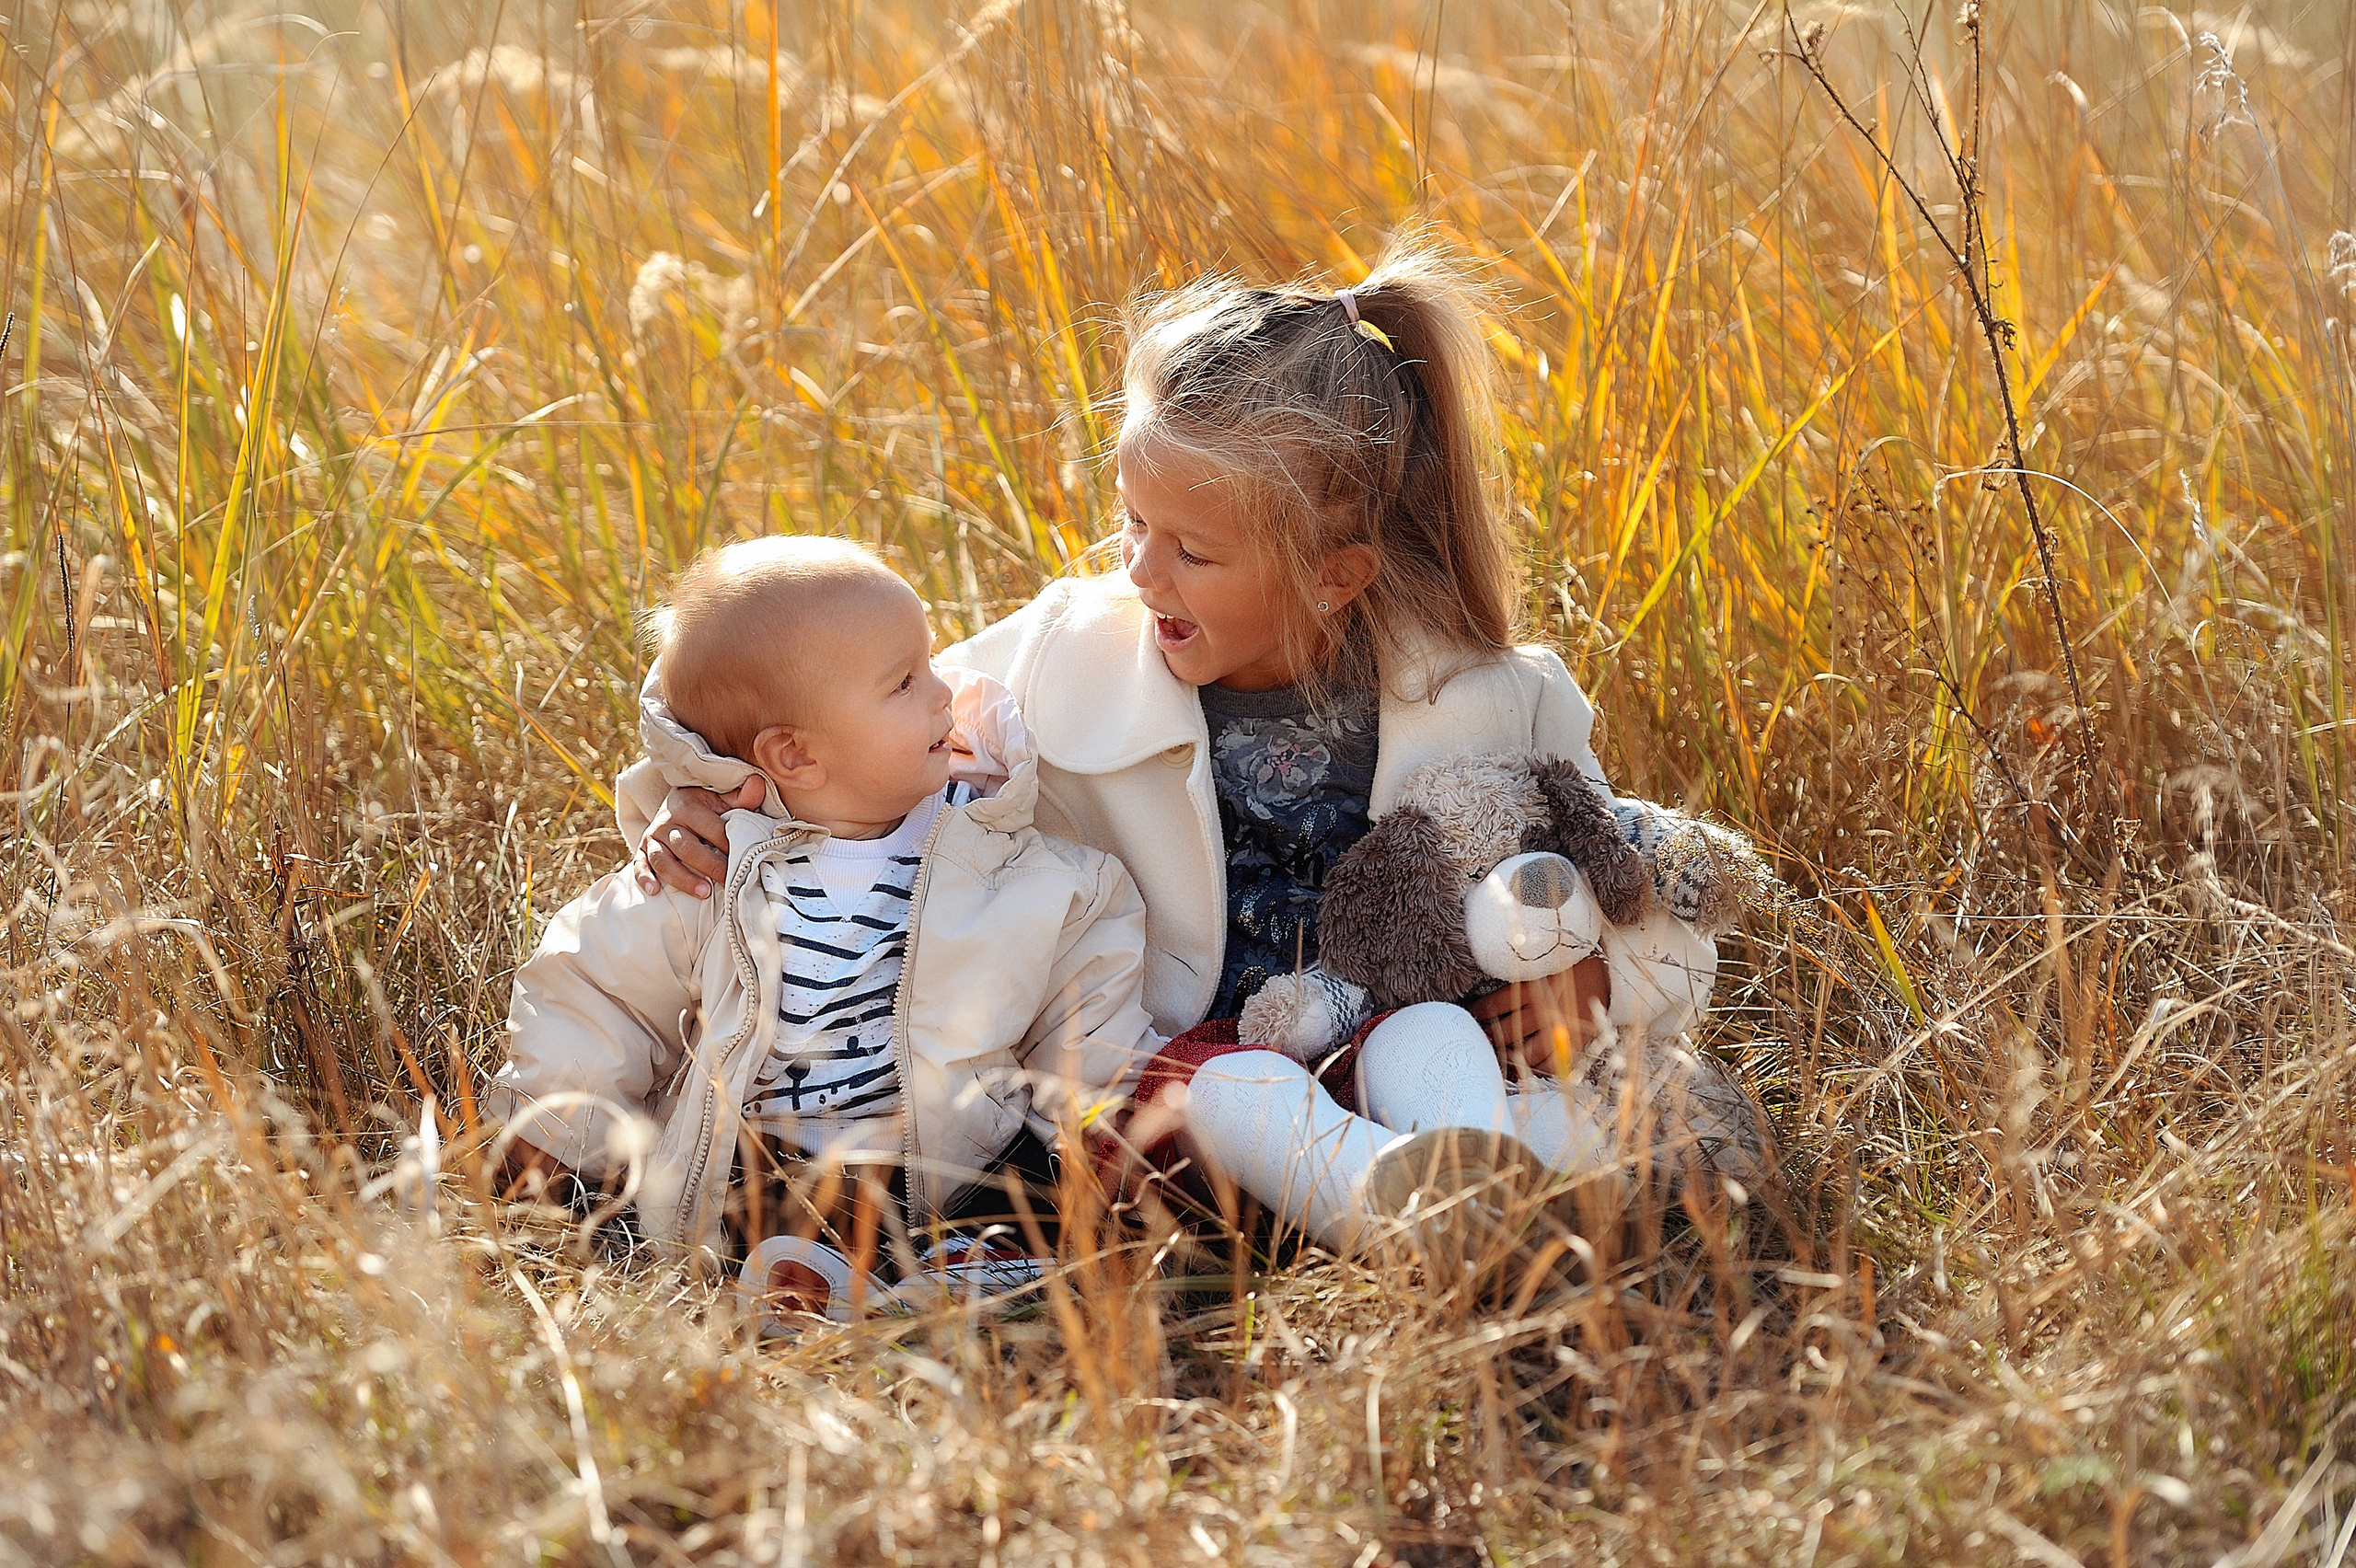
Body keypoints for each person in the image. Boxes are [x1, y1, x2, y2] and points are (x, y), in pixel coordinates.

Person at [631, 242, 1761, 1265]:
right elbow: (813, 719)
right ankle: (1403, 1218)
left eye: (1193, 552)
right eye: (1131, 524)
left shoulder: (1492, 699)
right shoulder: (1061, 661)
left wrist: (1597, 978)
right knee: (1226, 1098)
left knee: (1485, 1059)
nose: (1140, 572)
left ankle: (1488, 1194)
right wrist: (708, 794)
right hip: (1171, 1096)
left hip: (1419, 1067)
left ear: (1335, 575)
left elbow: (1627, 880)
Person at [487, 536, 1161, 1323]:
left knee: (1012, 1206)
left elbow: (1086, 992)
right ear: (795, 755)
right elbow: (598, 992)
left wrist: (1096, 1137)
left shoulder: (1005, 861)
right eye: (904, 683)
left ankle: (961, 1277)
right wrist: (557, 1136)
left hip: (955, 1165)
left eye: (930, 664)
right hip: (774, 1162)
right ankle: (811, 1284)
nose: (945, 694)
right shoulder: (710, 869)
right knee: (760, 1195)